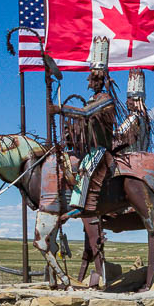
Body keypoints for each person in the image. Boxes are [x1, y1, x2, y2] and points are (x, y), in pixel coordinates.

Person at [57, 37, 117, 218]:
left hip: (100, 148)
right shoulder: (94, 98)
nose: (89, 81)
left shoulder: (105, 99)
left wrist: (61, 109)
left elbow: (85, 113)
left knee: (86, 168)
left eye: (93, 77)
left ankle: (79, 204)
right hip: (89, 147)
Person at [115, 68, 154, 153]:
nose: (127, 102)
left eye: (130, 98)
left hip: (130, 157)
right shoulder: (145, 118)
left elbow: (119, 134)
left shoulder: (133, 118)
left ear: (136, 100)